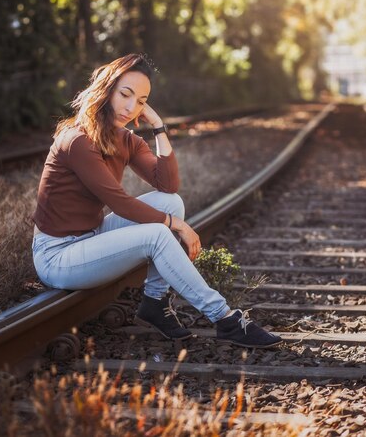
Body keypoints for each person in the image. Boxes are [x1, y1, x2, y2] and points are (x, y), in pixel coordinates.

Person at [32, 53, 282, 348]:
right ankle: (224, 318)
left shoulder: (125, 139)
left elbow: (167, 184)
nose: (130, 107)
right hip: (57, 256)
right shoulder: (77, 140)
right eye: (125, 94)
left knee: (171, 201)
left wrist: (159, 126)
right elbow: (120, 202)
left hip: (91, 235)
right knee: (158, 233)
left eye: (140, 101)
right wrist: (176, 226)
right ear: (106, 89)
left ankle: (154, 302)